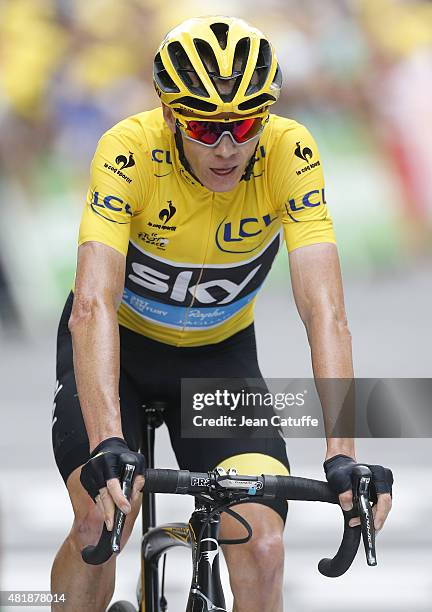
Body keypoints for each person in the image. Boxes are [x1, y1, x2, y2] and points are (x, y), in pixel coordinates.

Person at [51, 16, 392, 612]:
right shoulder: (129, 150)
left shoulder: (290, 151)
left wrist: (343, 452)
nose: (228, 147)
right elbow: (92, 304)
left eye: (243, 124)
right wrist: (107, 440)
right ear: (169, 116)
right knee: (100, 527)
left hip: (216, 364)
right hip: (118, 355)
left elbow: (325, 310)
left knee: (262, 544)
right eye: (205, 128)